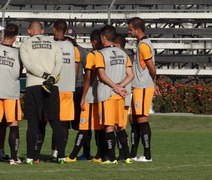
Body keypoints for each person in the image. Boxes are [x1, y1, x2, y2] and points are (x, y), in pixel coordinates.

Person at [20, 21, 65, 164]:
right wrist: (51, 78)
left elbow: (28, 65)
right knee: (55, 123)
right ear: (42, 30)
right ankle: (61, 156)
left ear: (29, 31)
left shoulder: (26, 44)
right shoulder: (53, 43)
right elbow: (59, 63)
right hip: (51, 86)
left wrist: (44, 75)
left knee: (33, 124)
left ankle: (30, 156)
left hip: (33, 85)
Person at [95, 25, 134, 164]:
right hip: (120, 95)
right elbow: (131, 75)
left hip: (107, 94)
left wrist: (115, 87)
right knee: (120, 126)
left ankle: (111, 158)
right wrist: (120, 87)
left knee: (109, 125)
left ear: (103, 38)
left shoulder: (100, 54)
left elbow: (102, 75)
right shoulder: (123, 54)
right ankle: (127, 156)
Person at [65, 29, 105, 163]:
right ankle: (100, 154)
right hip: (101, 94)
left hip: (86, 92)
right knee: (100, 127)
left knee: (84, 126)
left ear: (93, 41)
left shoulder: (90, 54)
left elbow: (88, 77)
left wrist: (83, 96)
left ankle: (75, 155)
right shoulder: (99, 53)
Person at [128, 17, 160, 162]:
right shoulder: (141, 44)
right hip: (137, 86)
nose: (129, 32)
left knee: (141, 119)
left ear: (137, 29)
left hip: (142, 86)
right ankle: (133, 153)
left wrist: (153, 82)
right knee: (134, 119)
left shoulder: (144, 46)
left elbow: (151, 67)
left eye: (130, 29)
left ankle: (147, 155)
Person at [65, 26, 91, 160]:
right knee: (64, 122)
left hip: (78, 89)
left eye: (71, 38)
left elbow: (88, 71)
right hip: (66, 89)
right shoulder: (62, 49)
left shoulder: (82, 51)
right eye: (67, 38)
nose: (69, 41)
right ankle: (59, 151)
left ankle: (86, 152)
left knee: (81, 123)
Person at [0, 23, 22, 165]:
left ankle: (0, 152)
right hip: (11, 92)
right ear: (15, 37)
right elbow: (18, 73)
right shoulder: (17, 53)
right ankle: (14, 157)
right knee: (13, 124)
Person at [114, 33, 132, 161]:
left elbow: (130, 75)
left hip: (122, 96)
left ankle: (125, 154)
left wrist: (119, 86)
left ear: (118, 45)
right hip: (122, 95)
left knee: (120, 126)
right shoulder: (124, 57)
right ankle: (123, 153)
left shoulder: (123, 57)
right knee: (117, 126)